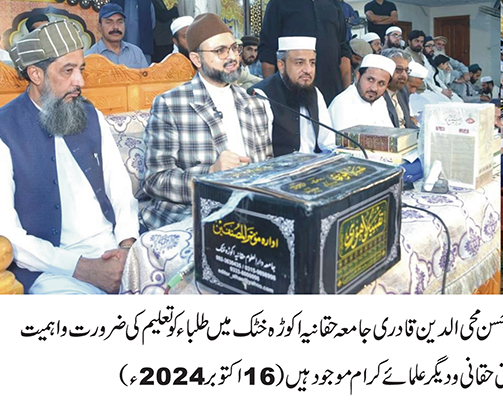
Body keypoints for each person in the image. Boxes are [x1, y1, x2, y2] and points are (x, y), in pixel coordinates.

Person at [0, 20, 138, 294]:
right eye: (68, 71)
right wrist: (85, 268)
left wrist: (127, 246)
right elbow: (6, 234)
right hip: (53, 271)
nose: (80, 82)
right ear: (36, 74)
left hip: (114, 251)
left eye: (81, 69)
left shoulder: (89, 113)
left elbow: (119, 188)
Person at [141, 14, 273, 231]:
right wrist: (210, 174)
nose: (231, 57)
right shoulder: (171, 104)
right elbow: (154, 180)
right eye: (220, 51)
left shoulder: (255, 103)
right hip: (191, 214)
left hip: (251, 210)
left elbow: (268, 164)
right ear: (196, 59)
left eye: (233, 48)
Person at [251, 36, 335, 156]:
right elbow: (261, 155)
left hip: (314, 169)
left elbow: (327, 143)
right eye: (299, 63)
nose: (308, 70)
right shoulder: (262, 95)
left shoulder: (315, 93)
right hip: (281, 172)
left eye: (312, 63)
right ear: (281, 65)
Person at [258, 0, 351, 106]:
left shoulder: (334, 4)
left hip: (332, 93)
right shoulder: (278, 3)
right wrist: (272, 99)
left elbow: (343, 51)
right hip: (290, 96)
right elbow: (268, 53)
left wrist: (346, 94)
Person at [328, 53, 397, 130]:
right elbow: (346, 141)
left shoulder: (380, 101)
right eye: (370, 80)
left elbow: (389, 133)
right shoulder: (342, 103)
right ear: (358, 76)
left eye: (381, 83)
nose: (374, 88)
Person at [85, 4, 149, 69]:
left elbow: (148, 78)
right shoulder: (90, 57)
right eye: (109, 22)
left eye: (120, 22)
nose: (115, 27)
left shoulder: (136, 53)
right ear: (100, 27)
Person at [377, 48, 417, 129]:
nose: (404, 75)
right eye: (398, 69)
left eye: (406, 70)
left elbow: (408, 124)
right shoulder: (377, 94)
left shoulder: (403, 91)